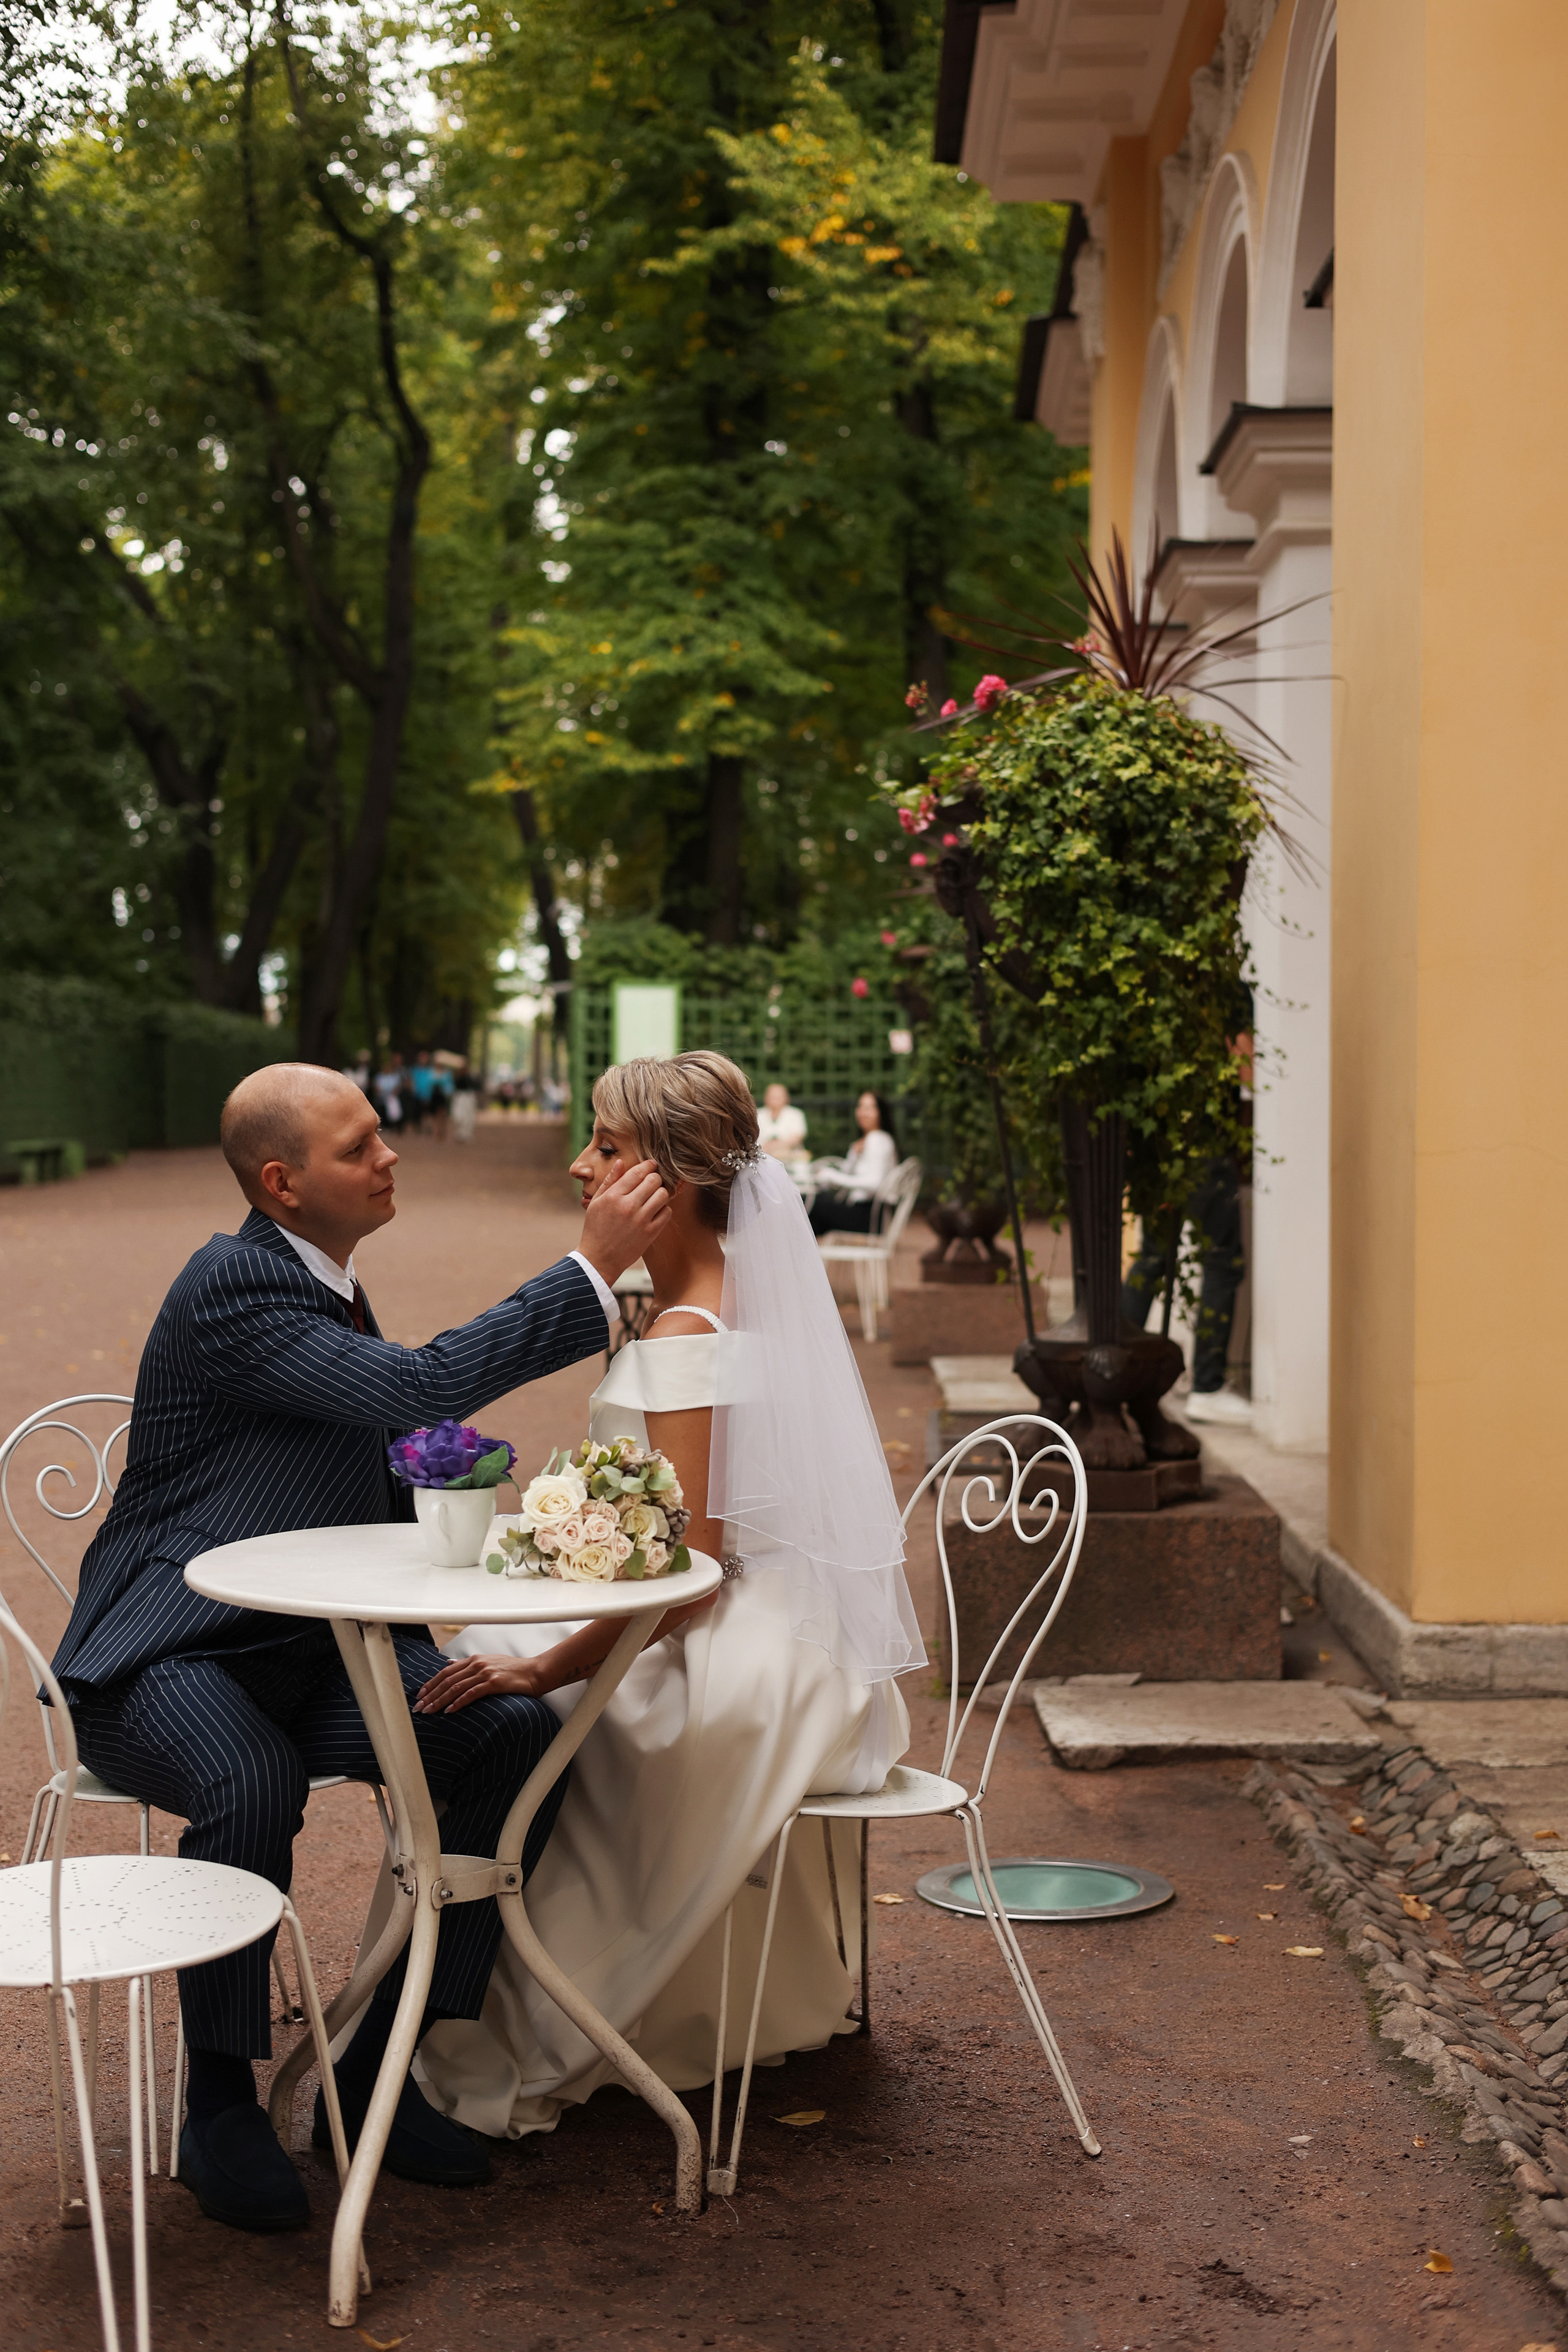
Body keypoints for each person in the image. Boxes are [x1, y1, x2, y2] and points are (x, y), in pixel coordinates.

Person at [49, 1062, 670, 2232]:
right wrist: (590, 1268)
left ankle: (378, 2064)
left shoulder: (330, 1281)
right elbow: (421, 1384)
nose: (391, 1157)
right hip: (170, 1660)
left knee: (511, 1734)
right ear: (282, 1184)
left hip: (311, 1652)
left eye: (383, 1137)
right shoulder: (232, 1285)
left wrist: (497, 1512)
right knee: (250, 1779)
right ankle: (222, 2104)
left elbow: (384, 1441)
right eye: (359, 1147)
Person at [402, 1050, 925, 2141]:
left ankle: (514, 2012)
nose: (582, 1168)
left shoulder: (693, 1337)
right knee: (495, 1683)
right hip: (773, 1627)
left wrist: (549, 1664)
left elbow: (688, 1578)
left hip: (729, 1649)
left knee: (523, 1721)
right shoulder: (718, 1297)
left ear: (673, 1179)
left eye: (606, 1145)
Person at [807, 1090, 900, 1236]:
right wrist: (854, 1155)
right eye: (861, 1107)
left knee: (810, 1201)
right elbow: (850, 1173)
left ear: (880, 1112)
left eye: (870, 1108)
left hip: (870, 1216)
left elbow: (874, 1183)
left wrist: (832, 1176)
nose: (863, 1113)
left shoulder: (877, 1139)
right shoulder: (872, 1139)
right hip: (866, 1213)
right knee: (814, 1219)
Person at [755, 1080, 808, 1163]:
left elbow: (798, 1137)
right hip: (763, 1157)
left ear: (786, 1098)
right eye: (772, 1097)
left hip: (791, 1158)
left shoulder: (796, 1114)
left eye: (778, 1097)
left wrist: (776, 1146)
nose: (775, 1100)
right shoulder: (758, 1114)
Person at [372, 1052, 405, 1133]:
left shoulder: (394, 1077)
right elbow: (377, 1088)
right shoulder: (379, 1077)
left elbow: (398, 1088)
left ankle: (395, 1127)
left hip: (392, 1098)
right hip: (382, 1098)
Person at [450, 1057, 480, 1145]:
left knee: (468, 1117)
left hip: (469, 1097)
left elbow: (476, 1087)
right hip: (460, 1097)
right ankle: (460, 1133)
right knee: (459, 1116)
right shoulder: (457, 1077)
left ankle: (466, 1135)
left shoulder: (471, 1077)